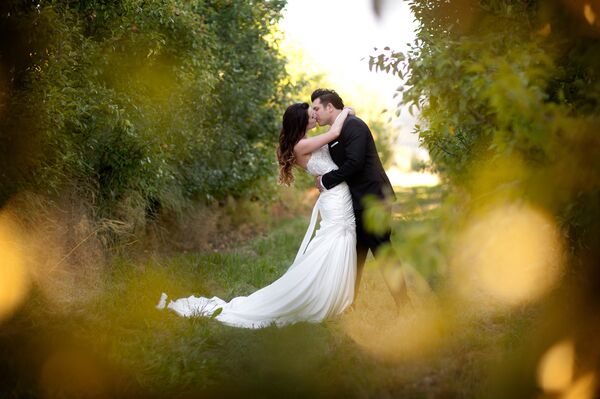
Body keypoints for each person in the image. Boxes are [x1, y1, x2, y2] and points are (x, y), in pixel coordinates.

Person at [157, 103, 358, 328]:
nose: (314, 117)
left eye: (314, 114)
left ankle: (332, 293)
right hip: (334, 199)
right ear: (301, 123)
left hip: (336, 195)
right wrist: (346, 112)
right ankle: (319, 295)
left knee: (340, 238)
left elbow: (331, 139)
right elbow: (334, 133)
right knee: (336, 238)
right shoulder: (301, 145)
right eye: (310, 116)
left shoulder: (306, 141)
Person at [311, 88, 409, 308]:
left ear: (329, 107)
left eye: (317, 108)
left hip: (374, 199)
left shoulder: (354, 126)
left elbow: (354, 163)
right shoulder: (338, 130)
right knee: (355, 255)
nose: (314, 113)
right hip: (356, 201)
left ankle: (404, 305)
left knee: (383, 251)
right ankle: (349, 304)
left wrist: (326, 181)